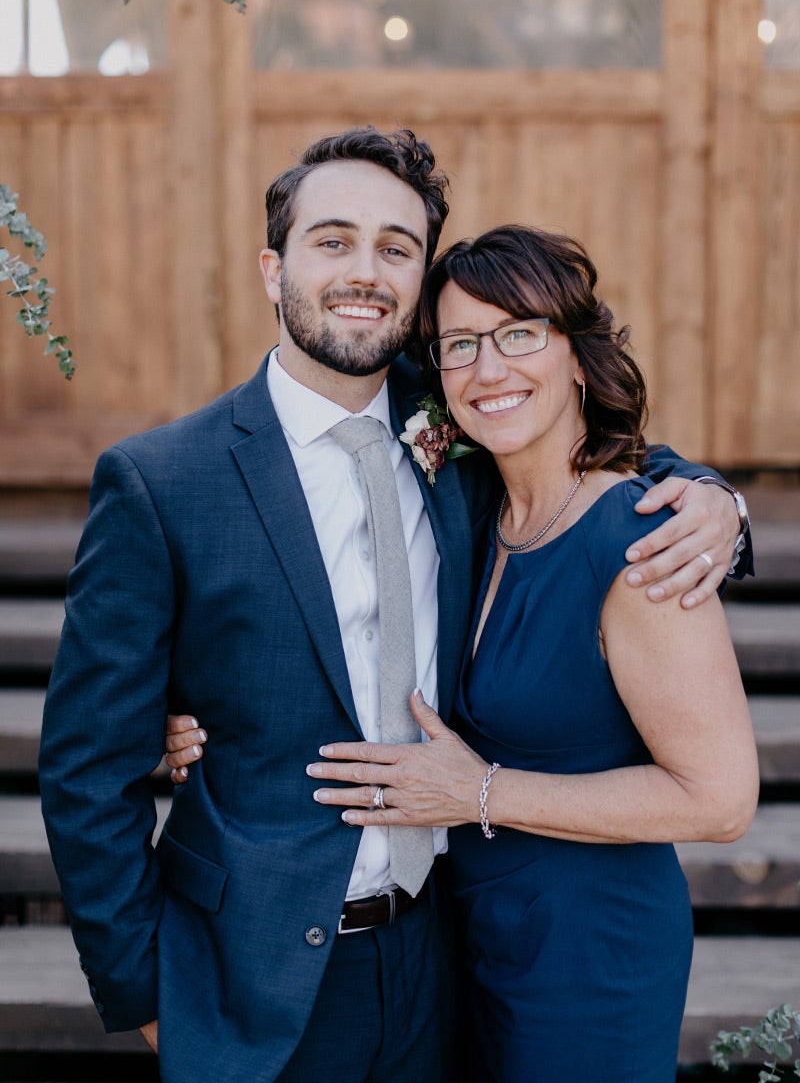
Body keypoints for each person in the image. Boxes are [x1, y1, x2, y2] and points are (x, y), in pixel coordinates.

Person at [40, 129, 749, 1083]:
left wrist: (718, 501)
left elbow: (591, 449)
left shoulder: (459, 421)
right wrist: (144, 997)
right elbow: (87, 771)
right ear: (272, 267)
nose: (363, 271)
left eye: (396, 248)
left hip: (446, 954)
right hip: (252, 987)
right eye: (332, 240)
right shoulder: (162, 482)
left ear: (418, 282)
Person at [295, 224, 760, 1083]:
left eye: (519, 334)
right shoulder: (471, 510)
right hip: (467, 938)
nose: (489, 369)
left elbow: (721, 800)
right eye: (461, 346)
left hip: (589, 958)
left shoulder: (641, 538)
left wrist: (475, 793)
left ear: (579, 357)